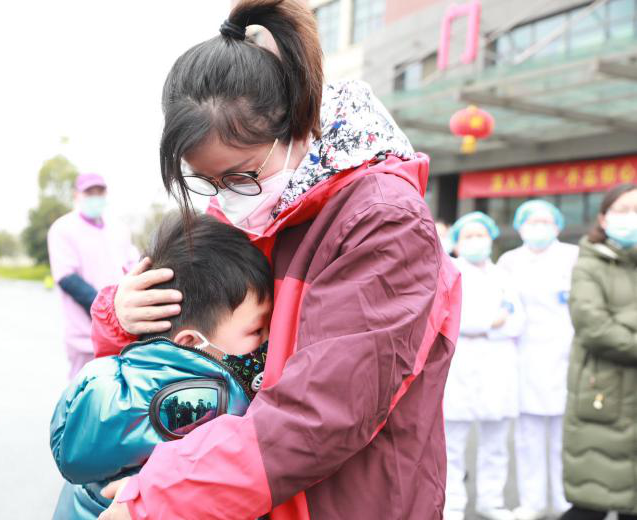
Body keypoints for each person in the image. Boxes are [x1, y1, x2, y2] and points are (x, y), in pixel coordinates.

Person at [88, 1, 462, 518]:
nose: (226, 195)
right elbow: (159, 355)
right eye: (208, 182)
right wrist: (122, 315)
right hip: (248, 495)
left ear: (296, 124)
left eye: (240, 175)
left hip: (348, 501)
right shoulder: (244, 209)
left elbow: (325, 412)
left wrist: (162, 498)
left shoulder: (382, 220)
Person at [50, 214, 273, 520]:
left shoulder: (123, 395)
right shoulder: (209, 408)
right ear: (192, 342)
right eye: (257, 331)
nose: (268, 341)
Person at [496, 200, 579, 520]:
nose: (539, 227)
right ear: (520, 227)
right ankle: (532, 501)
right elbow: (503, 306)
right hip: (524, 355)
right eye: (532, 221)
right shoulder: (509, 261)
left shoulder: (573, 256)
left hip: (567, 351)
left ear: (558, 226)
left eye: (546, 221)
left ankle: (564, 499)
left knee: (565, 437)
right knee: (527, 436)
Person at [560, 183, 637, 520]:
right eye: (623, 210)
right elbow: (595, 328)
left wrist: (623, 321)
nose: (632, 217)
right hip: (605, 394)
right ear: (604, 218)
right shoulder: (589, 264)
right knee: (591, 503)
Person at [443, 212, 525, 520]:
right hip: (460, 365)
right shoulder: (448, 272)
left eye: (481, 235)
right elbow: (453, 319)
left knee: (496, 444)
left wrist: (484, 324)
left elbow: (517, 322)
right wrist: (492, 322)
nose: (476, 241)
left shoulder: (503, 275)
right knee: (452, 446)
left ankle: (492, 502)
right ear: (457, 243)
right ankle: (452, 505)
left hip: (498, 367)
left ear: (491, 239)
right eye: (469, 236)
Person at [47, 173, 139, 380]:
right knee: (85, 387)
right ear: (77, 195)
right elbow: (67, 278)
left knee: (120, 387)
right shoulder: (63, 228)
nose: (95, 197)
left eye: (100, 192)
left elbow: (133, 267)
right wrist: (106, 310)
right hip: (85, 332)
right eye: (89, 192)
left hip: (123, 328)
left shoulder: (119, 228)